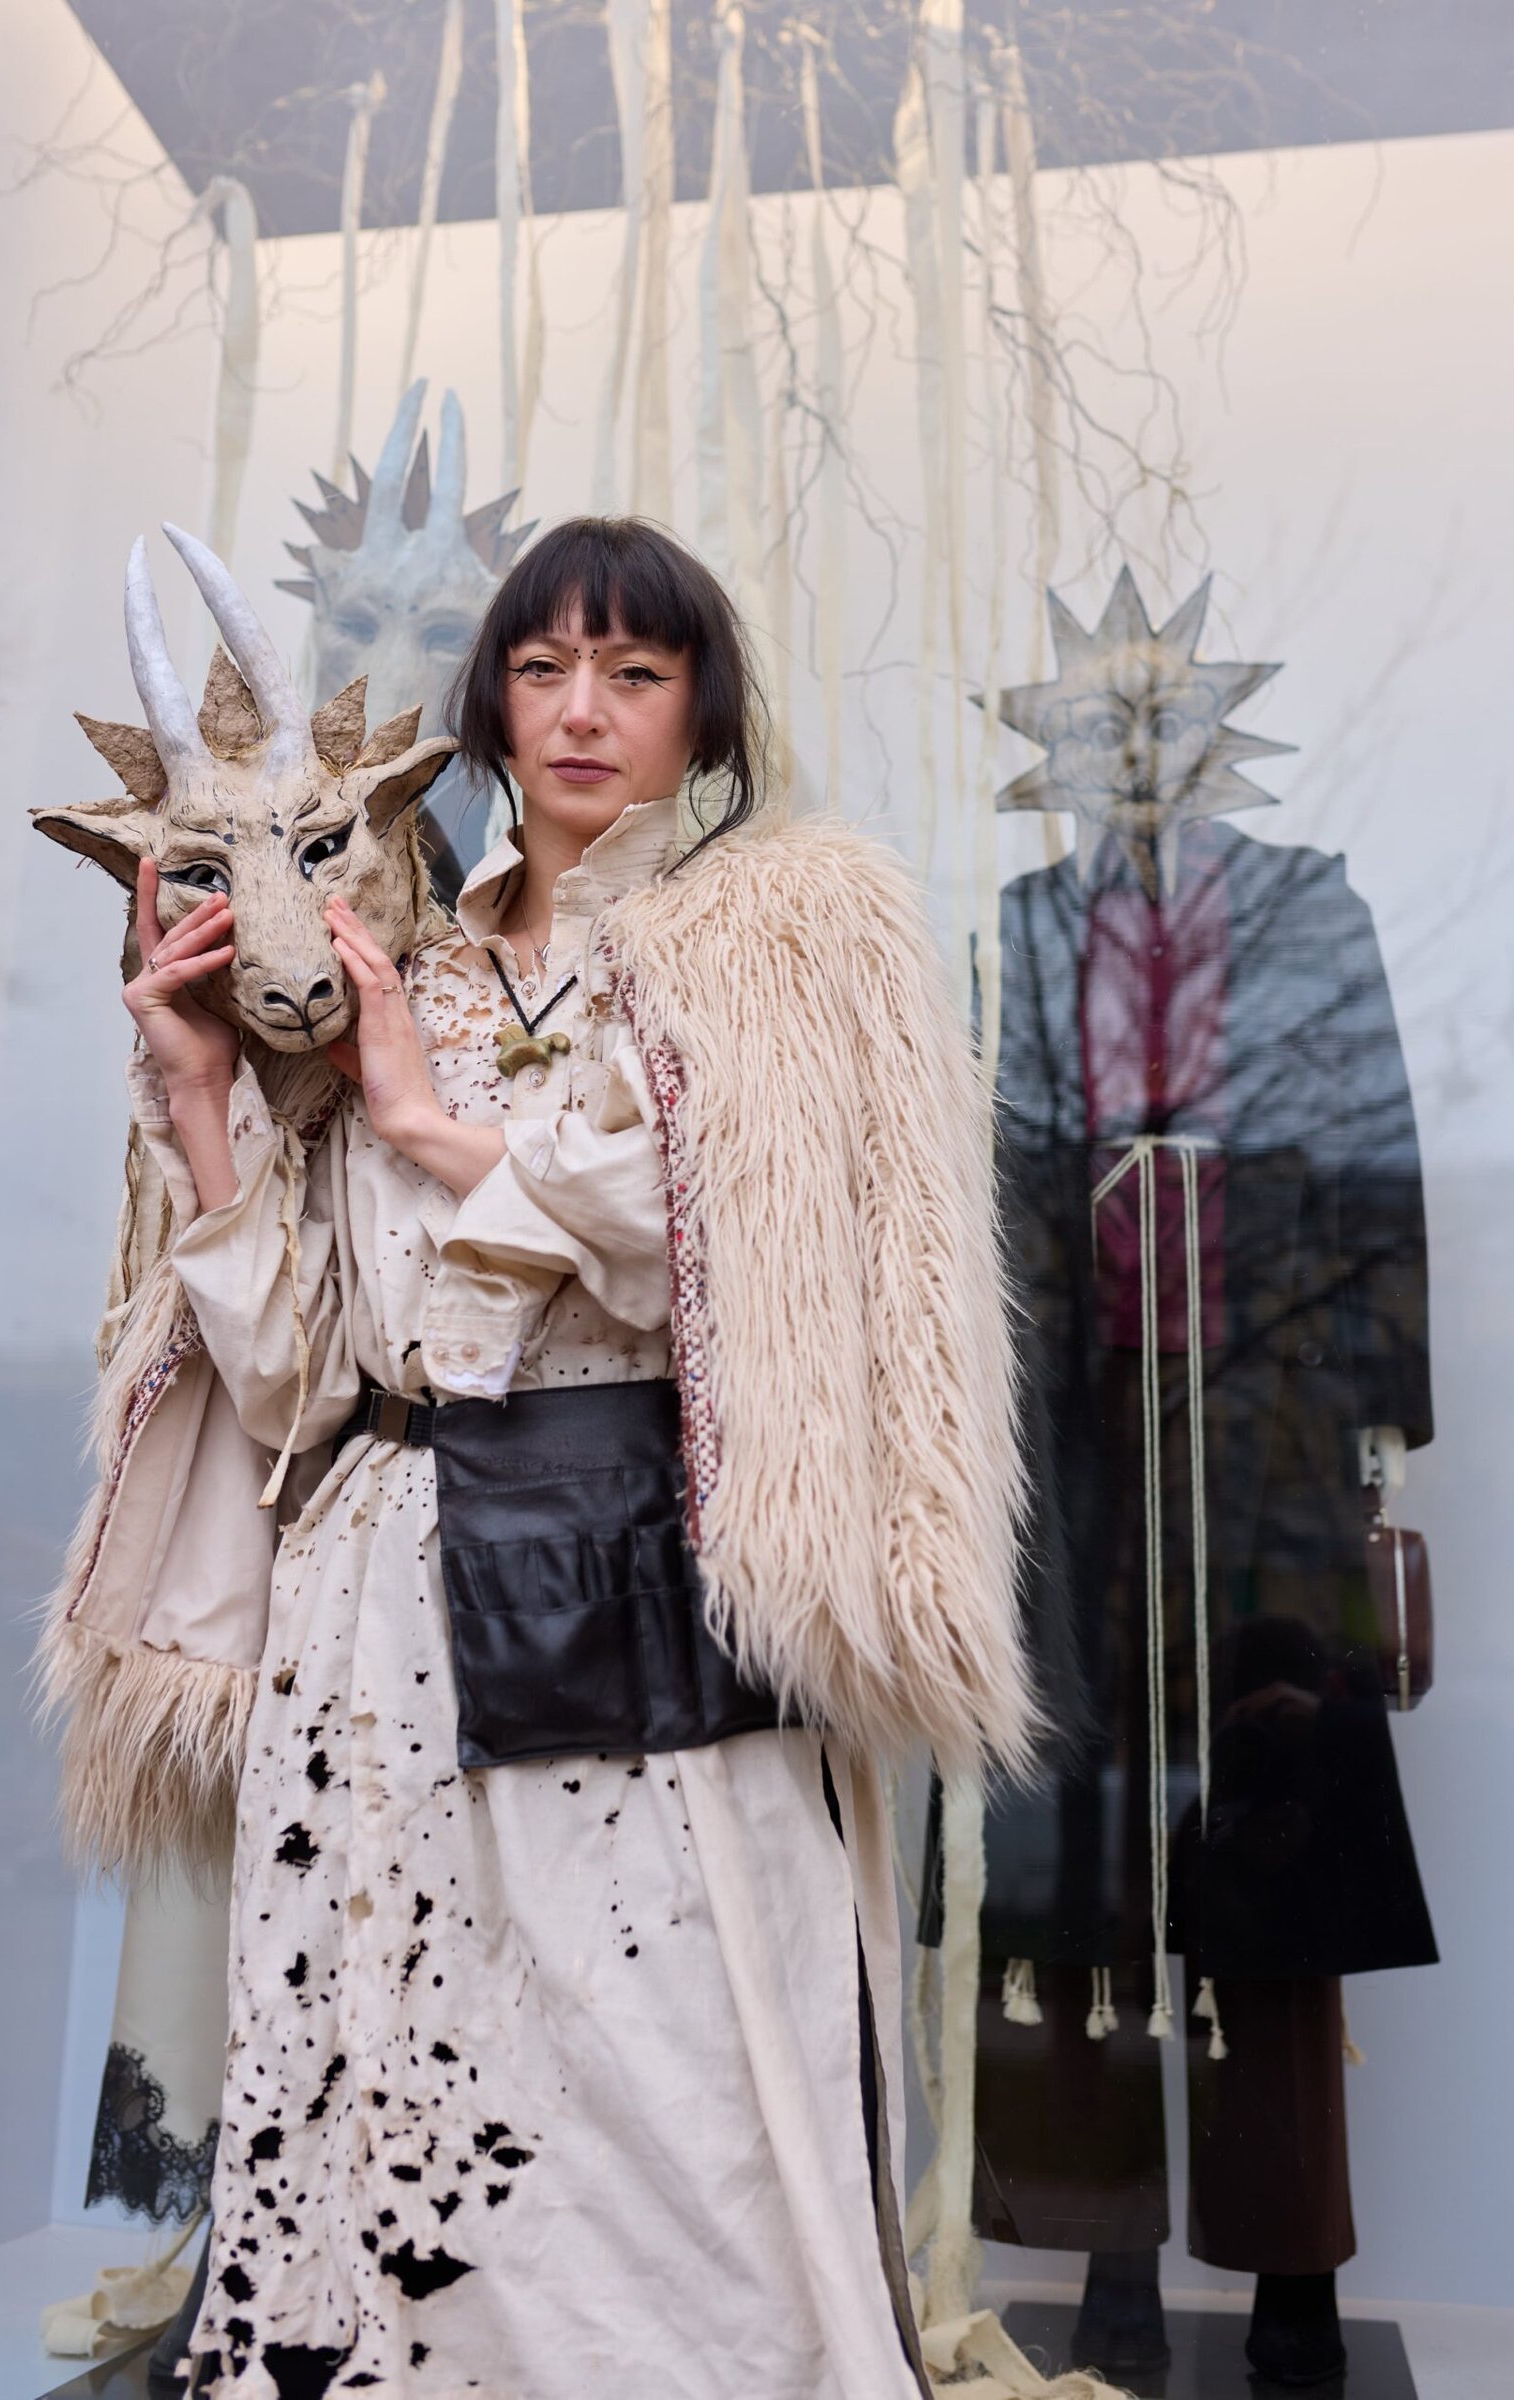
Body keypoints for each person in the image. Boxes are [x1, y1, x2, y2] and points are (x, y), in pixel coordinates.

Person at [74, 517, 1032, 2398]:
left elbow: (760, 1249)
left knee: (671, 2087)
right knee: (389, 2068)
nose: (585, 710)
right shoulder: (399, 957)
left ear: (704, 714)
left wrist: (434, 1125)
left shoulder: (781, 945)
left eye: (636, 672)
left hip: (638, 1567)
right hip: (376, 1611)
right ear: (492, 708)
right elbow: (302, 1382)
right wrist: (205, 1111)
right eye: (543, 669)